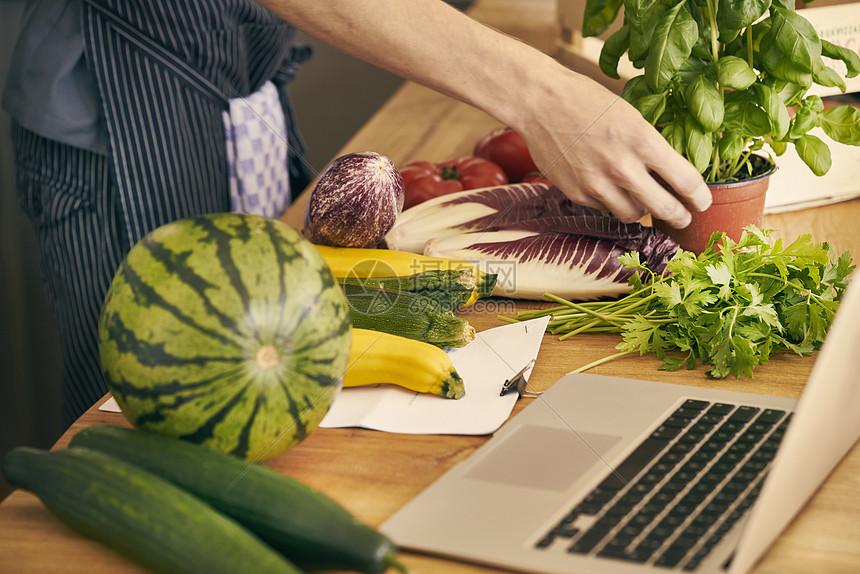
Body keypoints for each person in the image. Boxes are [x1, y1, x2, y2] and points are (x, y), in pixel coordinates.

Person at [3, 0, 711, 427]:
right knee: (145, 417)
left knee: (272, 375)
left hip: (235, 80)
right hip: (129, 97)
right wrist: (542, 96)